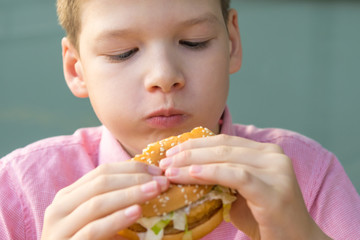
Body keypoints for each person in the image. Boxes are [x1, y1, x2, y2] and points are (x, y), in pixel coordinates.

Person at [0, 0, 359, 239]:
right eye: (122, 52)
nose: (164, 75)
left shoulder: (305, 175)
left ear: (231, 42)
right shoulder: (18, 192)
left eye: (194, 42)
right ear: (75, 68)